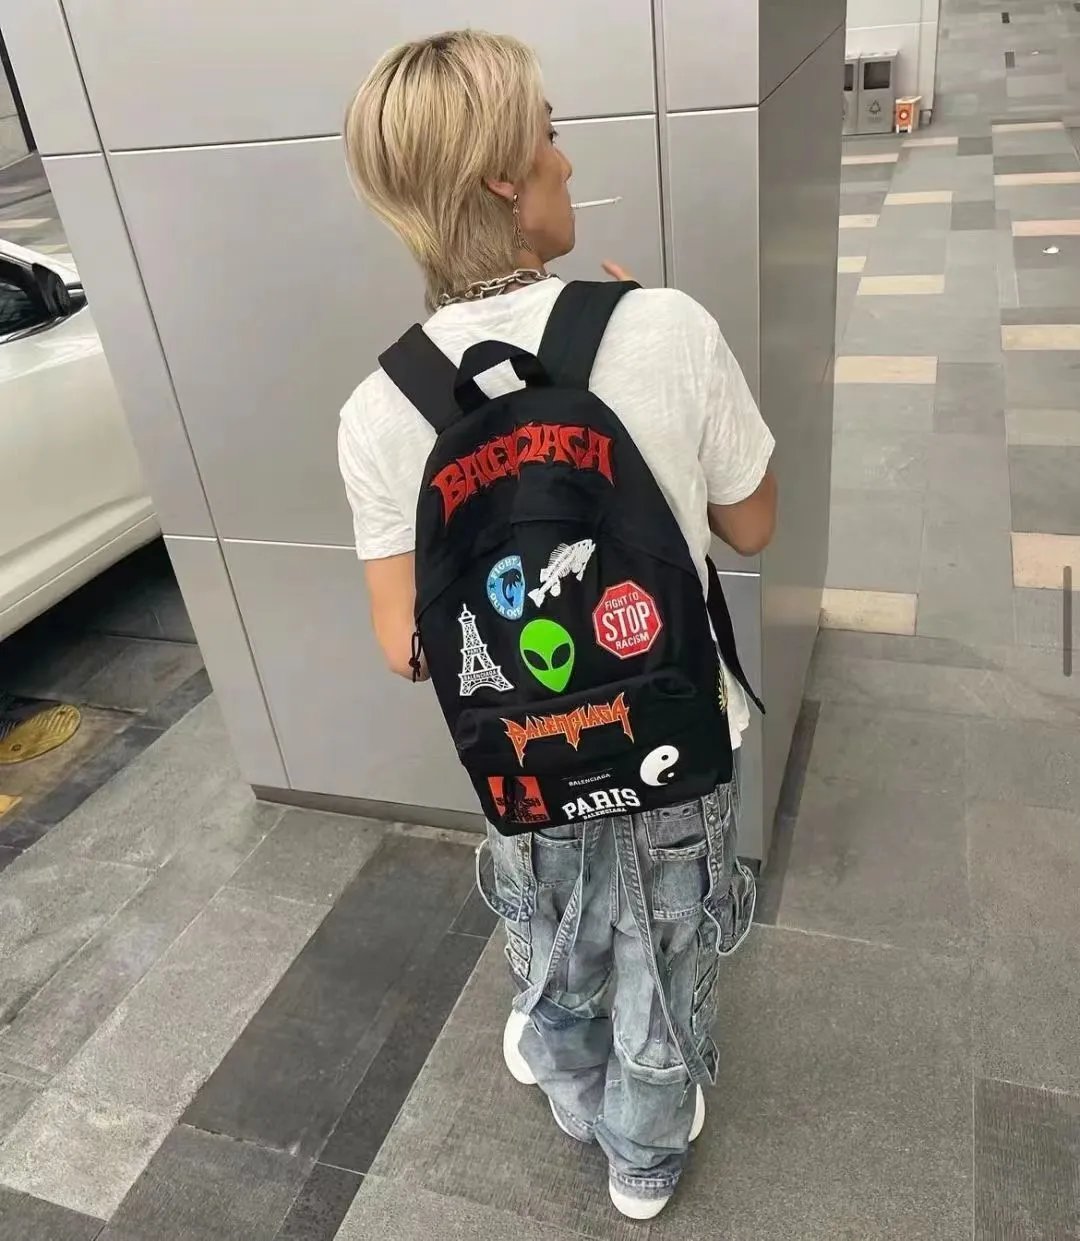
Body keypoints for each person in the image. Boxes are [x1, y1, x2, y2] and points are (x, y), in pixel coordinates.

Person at [338, 30, 777, 1221]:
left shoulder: (381, 406)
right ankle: (642, 1155)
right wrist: (649, 360)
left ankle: (565, 1072)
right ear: (502, 177)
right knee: (666, 950)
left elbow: (404, 645)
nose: (566, 159)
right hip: (674, 734)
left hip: (527, 754)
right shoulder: (665, 325)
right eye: (549, 133)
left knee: (557, 922)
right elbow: (752, 524)